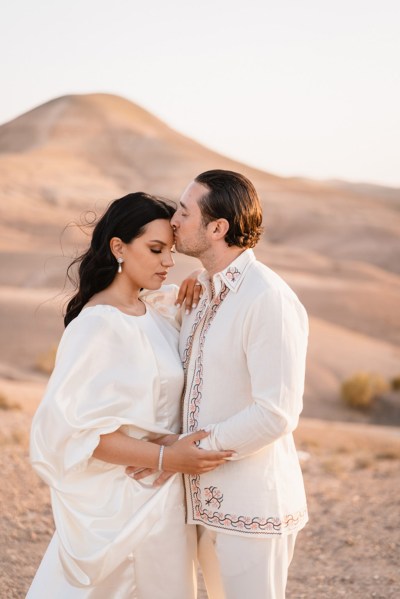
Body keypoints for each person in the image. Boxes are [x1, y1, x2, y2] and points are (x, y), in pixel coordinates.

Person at [27, 192, 234, 598]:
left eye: (170, 251)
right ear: (118, 247)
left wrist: (201, 278)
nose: (168, 262)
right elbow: (77, 435)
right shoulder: (96, 327)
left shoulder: (153, 313)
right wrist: (166, 457)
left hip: (166, 502)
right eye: (155, 250)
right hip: (121, 505)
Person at [156, 170, 308, 598]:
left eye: (185, 211)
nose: (174, 220)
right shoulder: (201, 292)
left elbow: (276, 413)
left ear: (218, 228)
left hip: (252, 508)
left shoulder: (267, 298)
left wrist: (192, 453)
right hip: (201, 506)